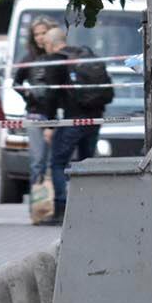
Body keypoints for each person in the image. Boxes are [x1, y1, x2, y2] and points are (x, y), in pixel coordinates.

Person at [34, 26, 112, 224]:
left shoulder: (56, 59)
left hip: (73, 119)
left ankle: (61, 209)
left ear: (50, 44)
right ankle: (87, 209)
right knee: (86, 163)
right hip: (95, 120)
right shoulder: (85, 54)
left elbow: (51, 95)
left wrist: (49, 125)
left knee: (58, 163)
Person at [14, 16, 59, 188]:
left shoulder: (57, 55)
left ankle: (56, 201)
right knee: (38, 160)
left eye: (43, 33)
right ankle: (38, 203)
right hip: (34, 113)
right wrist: (28, 93)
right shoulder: (28, 58)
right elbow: (15, 83)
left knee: (54, 161)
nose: (40, 37)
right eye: (36, 34)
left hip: (56, 114)